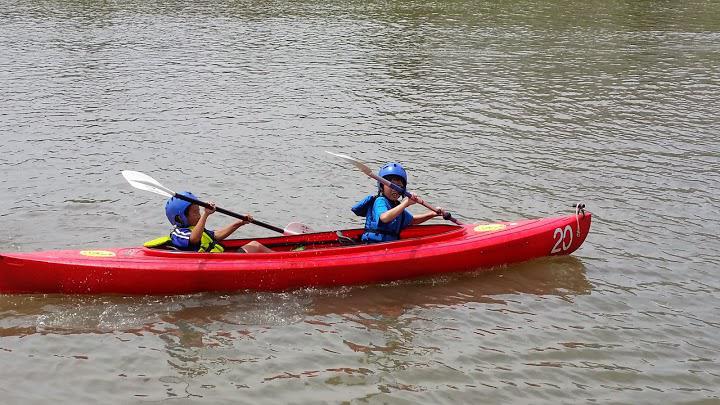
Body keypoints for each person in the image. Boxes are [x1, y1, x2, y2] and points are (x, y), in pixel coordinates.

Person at [352, 162, 445, 243]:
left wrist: (433, 214)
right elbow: (384, 218)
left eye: (399, 186)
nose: (395, 190)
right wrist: (405, 204)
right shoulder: (380, 201)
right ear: (381, 187)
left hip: (389, 245)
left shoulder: (396, 206)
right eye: (392, 186)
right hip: (374, 245)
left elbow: (412, 220)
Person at [164, 192, 273, 253]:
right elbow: (194, 239)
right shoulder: (178, 233)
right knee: (255, 245)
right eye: (195, 212)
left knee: (254, 245)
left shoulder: (196, 229)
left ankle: (284, 258)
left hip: (220, 259)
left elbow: (216, 235)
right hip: (216, 263)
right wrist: (206, 214)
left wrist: (240, 222)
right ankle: (286, 259)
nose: (199, 215)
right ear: (180, 218)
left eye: (199, 211)